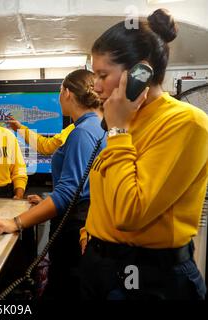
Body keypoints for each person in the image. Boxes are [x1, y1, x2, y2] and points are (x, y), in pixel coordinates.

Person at [80, 8, 207, 300]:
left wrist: (118, 131)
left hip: (149, 278)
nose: (95, 86)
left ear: (140, 73)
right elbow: (106, 193)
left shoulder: (185, 123)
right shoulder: (124, 119)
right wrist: (90, 236)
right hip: (102, 266)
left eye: (102, 75)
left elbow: (130, 213)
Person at [0, 69, 106, 300]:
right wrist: (48, 201)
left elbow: (69, 194)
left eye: (59, 92)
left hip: (73, 228)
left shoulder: (82, 132)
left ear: (67, 93)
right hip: (84, 221)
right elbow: (82, 185)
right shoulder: (95, 127)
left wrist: (15, 222)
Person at [7, 117, 75, 205]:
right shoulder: (73, 128)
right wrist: (20, 128)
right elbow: (46, 146)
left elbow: (46, 147)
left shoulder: (79, 130)